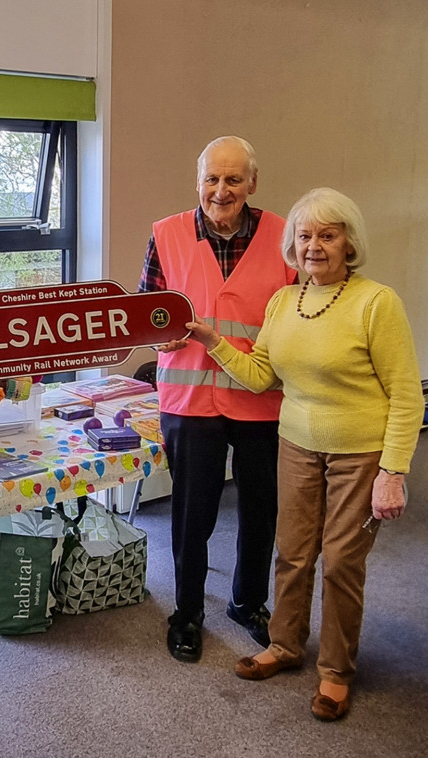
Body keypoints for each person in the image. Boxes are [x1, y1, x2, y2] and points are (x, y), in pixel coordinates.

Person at [175, 187, 423, 720]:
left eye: (327, 235)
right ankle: (286, 646)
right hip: (296, 444)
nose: (314, 246)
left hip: (359, 449)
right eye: (305, 236)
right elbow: (263, 375)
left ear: (348, 243)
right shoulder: (284, 301)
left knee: (341, 563)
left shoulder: (377, 302)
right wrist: (211, 340)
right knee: (291, 553)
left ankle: (334, 671)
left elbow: (406, 395)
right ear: (293, 244)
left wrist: (393, 472)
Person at [140, 136, 298, 663]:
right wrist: (154, 332)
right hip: (188, 398)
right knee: (192, 512)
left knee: (259, 510)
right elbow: (148, 309)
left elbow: (300, 313)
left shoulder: (284, 237)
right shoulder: (166, 233)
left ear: (252, 183)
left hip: (260, 397)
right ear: (198, 181)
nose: (221, 190)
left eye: (233, 180)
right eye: (212, 179)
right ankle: (186, 611)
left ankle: (247, 602)